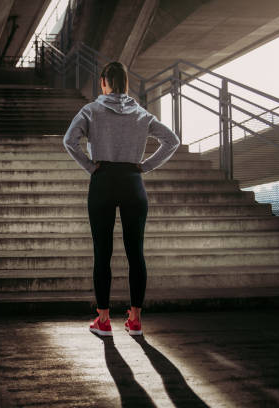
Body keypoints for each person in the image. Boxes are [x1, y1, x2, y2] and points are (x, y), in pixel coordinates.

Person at [62, 61, 180, 337]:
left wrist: (90, 166)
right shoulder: (141, 114)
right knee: (135, 253)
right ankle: (135, 319)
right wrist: (145, 166)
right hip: (132, 181)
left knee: (102, 253)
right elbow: (172, 140)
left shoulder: (90, 110)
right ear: (126, 84)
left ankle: (103, 319)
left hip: (103, 181)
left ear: (103, 82)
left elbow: (69, 140)